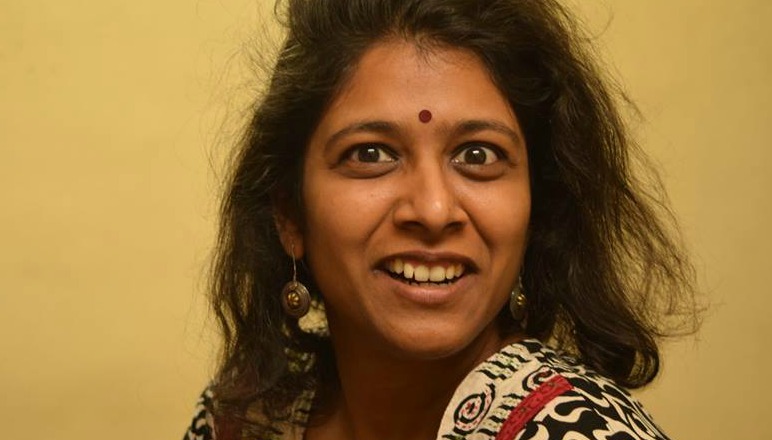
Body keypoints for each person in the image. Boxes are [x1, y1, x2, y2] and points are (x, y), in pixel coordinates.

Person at [184, 0, 698, 439]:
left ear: (537, 208)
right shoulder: (244, 415)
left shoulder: (576, 429)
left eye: (478, 155)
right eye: (370, 154)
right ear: (289, 213)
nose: (432, 210)